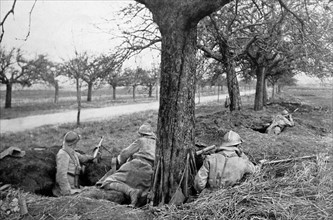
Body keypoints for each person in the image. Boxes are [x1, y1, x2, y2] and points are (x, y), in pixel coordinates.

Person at [96, 122, 156, 207]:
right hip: (149, 172)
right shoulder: (159, 144)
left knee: (107, 182)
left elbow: (125, 153)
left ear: (141, 134)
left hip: (135, 166)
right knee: (143, 191)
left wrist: (120, 162)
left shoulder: (141, 140)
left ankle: (131, 191)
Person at [52, 131, 95, 197]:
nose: (76, 144)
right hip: (67, 191)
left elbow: (82, 158)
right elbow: (61, 176)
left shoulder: (71, 152)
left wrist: (92, 157)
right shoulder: (63, 155)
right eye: (76, 142)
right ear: (73, 143)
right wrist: (67, 193)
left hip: (74, 187)